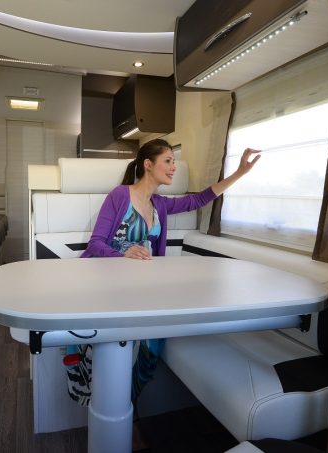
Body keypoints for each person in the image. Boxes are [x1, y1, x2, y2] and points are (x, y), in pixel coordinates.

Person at [65, 138, 261, 406]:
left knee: (153, 345)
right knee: (112, 347)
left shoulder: (160, 204)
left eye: (173, 162)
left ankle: (123, 404)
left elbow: (198, 199)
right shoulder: (120, 196)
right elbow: (96, 244)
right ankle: (104, 402)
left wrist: (239, 173)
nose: (173, 167)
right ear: (148, 164)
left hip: (145, 290)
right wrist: (123, 254)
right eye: (168, 161)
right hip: (110, 288)